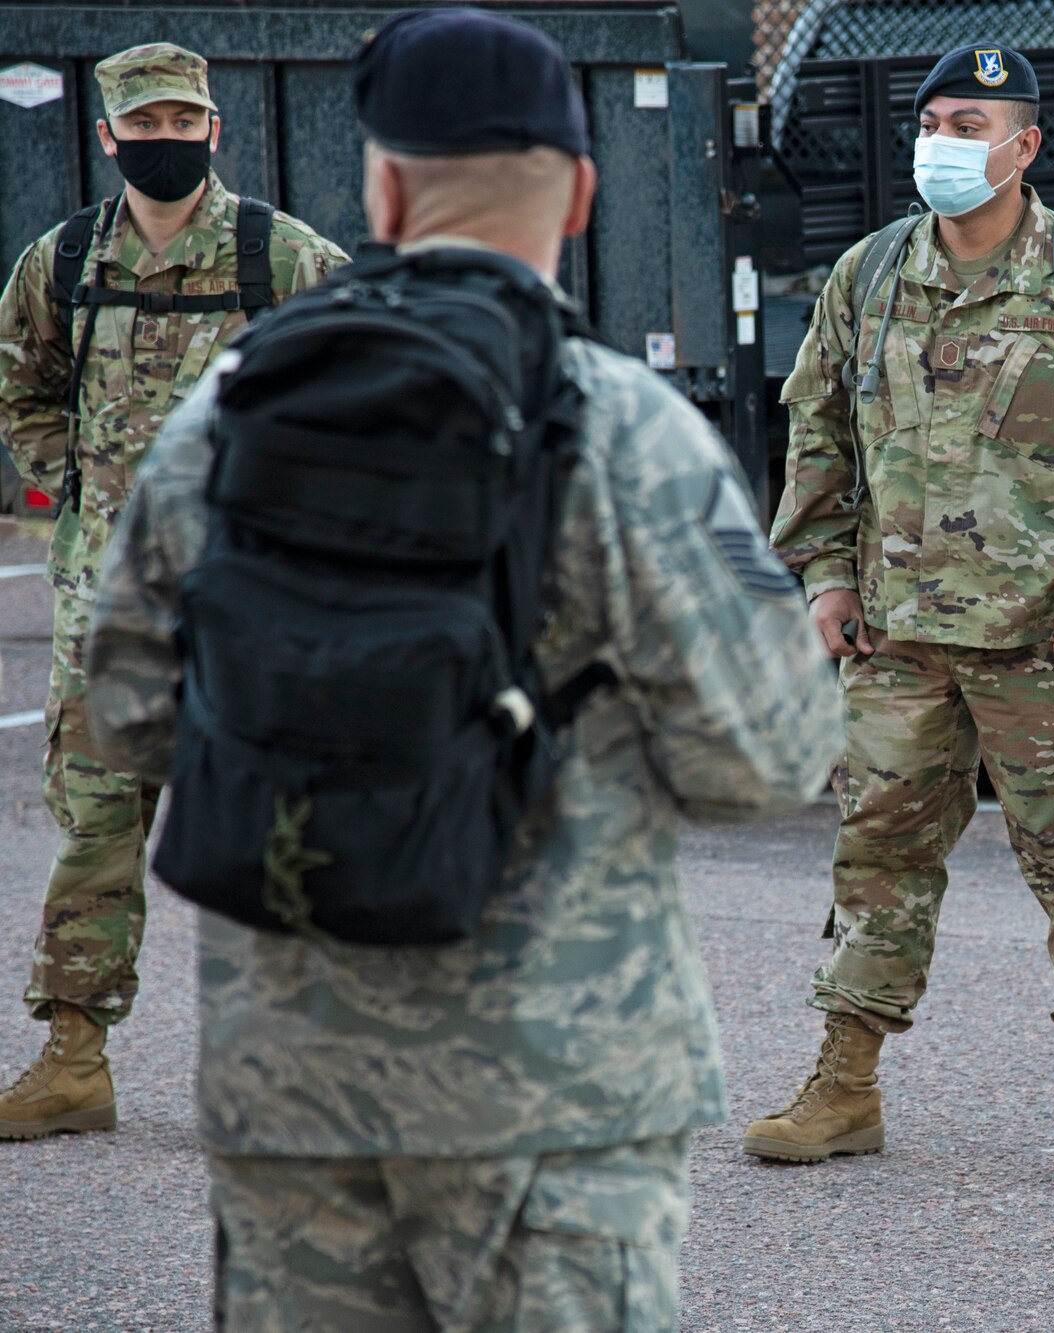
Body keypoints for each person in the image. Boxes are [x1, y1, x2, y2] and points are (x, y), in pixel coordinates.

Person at [84, 9, 843, 1328]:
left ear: (380, 186)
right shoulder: (623, 430)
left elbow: (131, 713)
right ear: (584, 192)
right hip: (550, 1087)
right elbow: (766, 762)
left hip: (289, 1079)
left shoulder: (229, 406)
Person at [753, 42, 1054, 1189]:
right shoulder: (864, 276)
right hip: (899, 638)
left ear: (1025, 146)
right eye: (934, 122)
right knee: (877, 858)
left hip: (1045, 642)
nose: (945, 144)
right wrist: (822, 573)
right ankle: (844, 1082)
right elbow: (814, 434)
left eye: (971, 126)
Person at [0, 42, 347, 1140]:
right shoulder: (58, 263)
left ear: (213, 131)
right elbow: (25, 387)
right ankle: (71, 1056)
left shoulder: (284, 259)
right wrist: (83, 492)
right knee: (95, 829)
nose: (164, 145)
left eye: (180, 125)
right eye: (141, 130)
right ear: (107, 139)